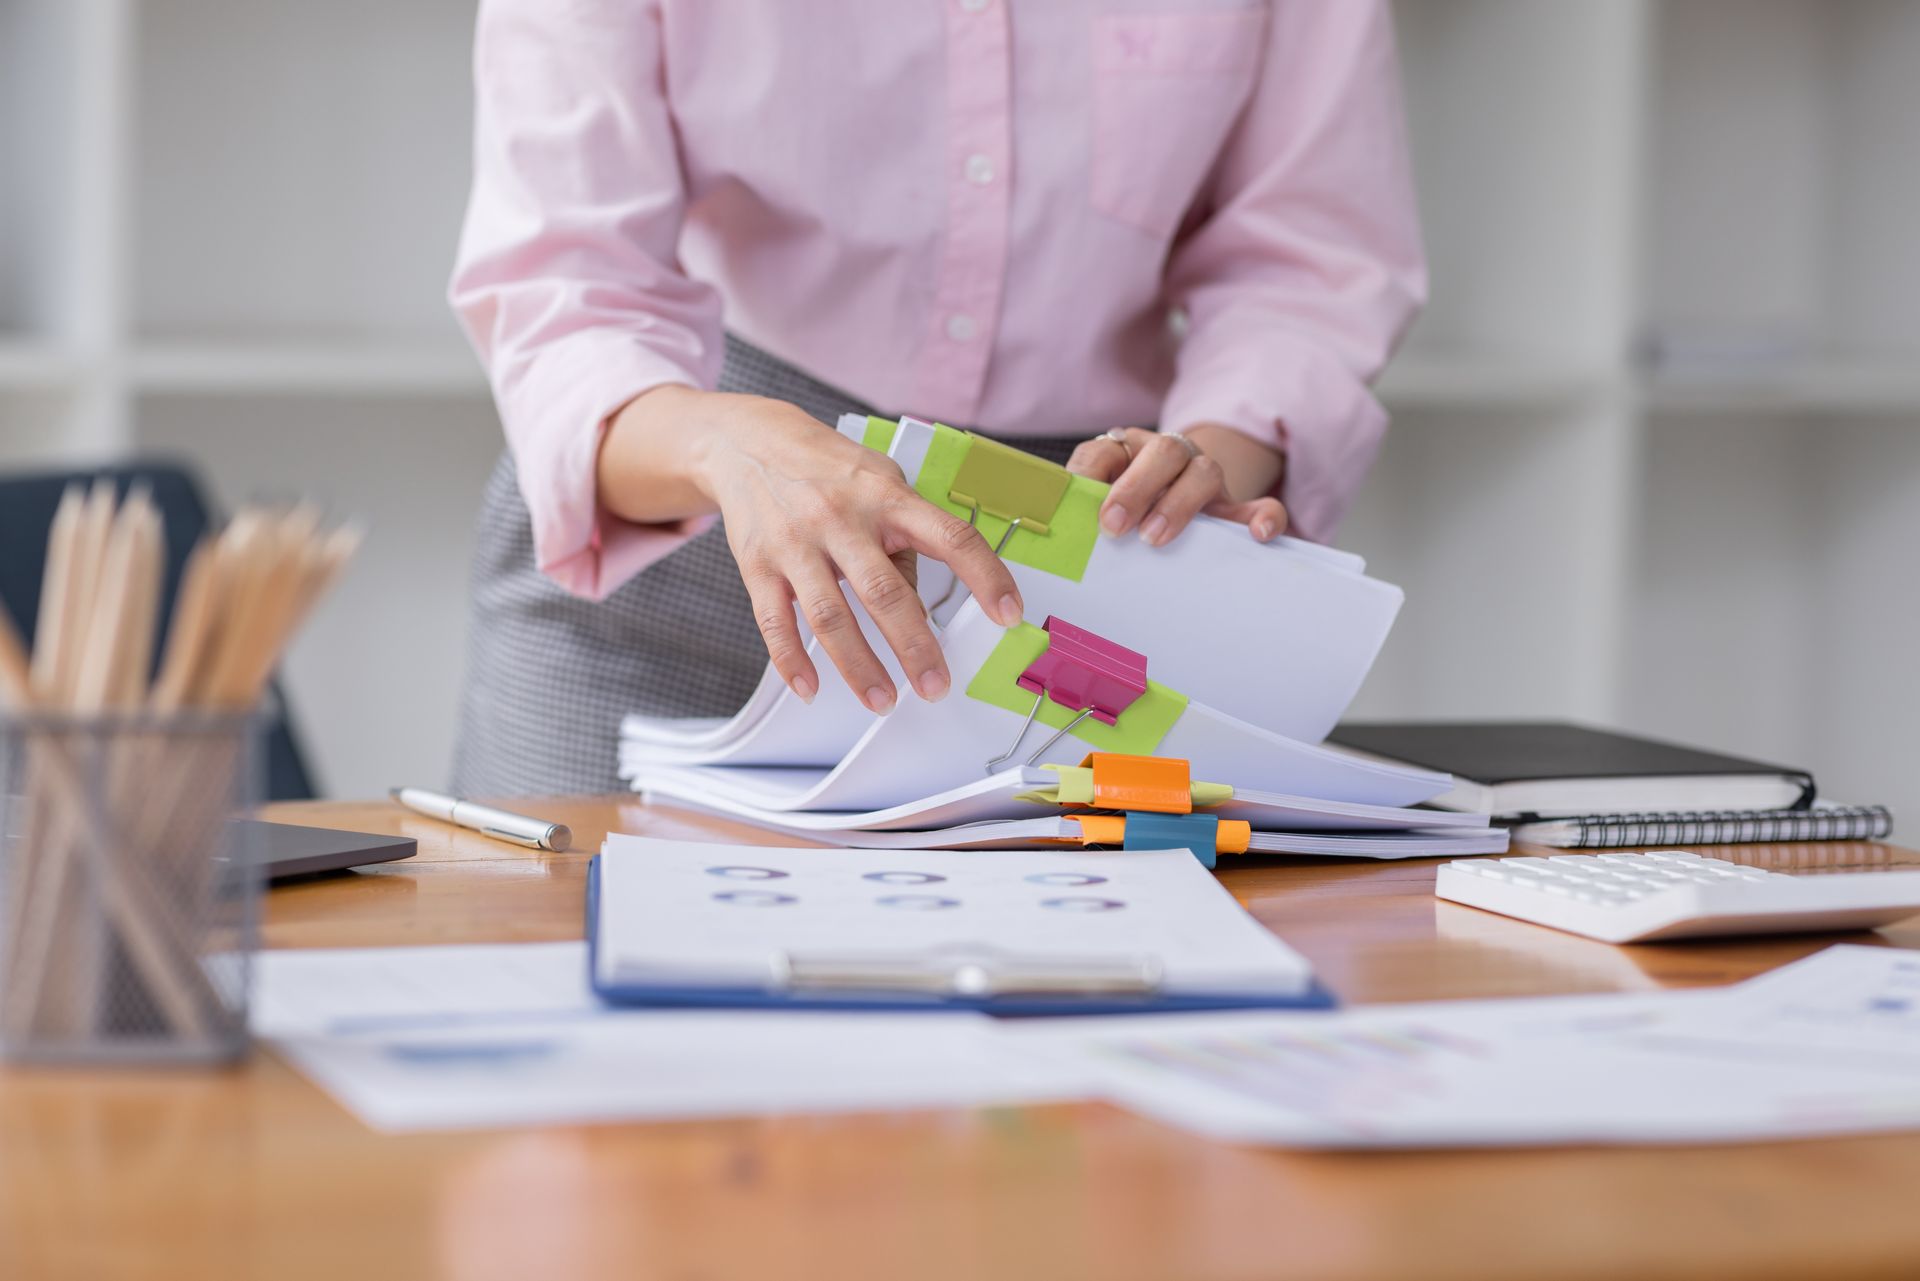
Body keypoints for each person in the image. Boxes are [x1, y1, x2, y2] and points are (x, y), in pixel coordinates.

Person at [449, 0, 1426, 795]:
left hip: (1096, 562)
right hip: (690, 549)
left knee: (1074, 1004)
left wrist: (1208, 462)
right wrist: (725, 448)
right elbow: (567, 292)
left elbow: (1306, 263)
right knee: (599, 995)